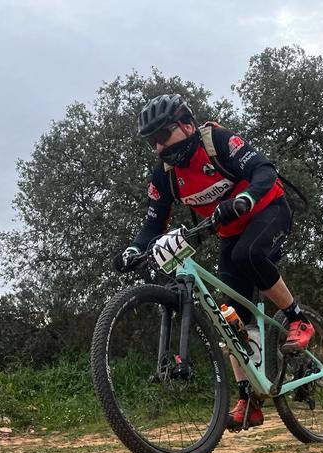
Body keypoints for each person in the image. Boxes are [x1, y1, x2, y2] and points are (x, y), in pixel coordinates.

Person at [114, 93, 312, 431]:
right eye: (152, 141)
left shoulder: (218, 141)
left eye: (164, 135)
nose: (159, 147)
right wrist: (134, 248)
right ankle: (248, 398)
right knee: (231, 316)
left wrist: (246, 197)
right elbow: (153, 222)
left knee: (248, 254)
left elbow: (263, 169)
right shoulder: (164, 175)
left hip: (268, 210)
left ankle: (299, 320)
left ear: (188, 125)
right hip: (229, 231)